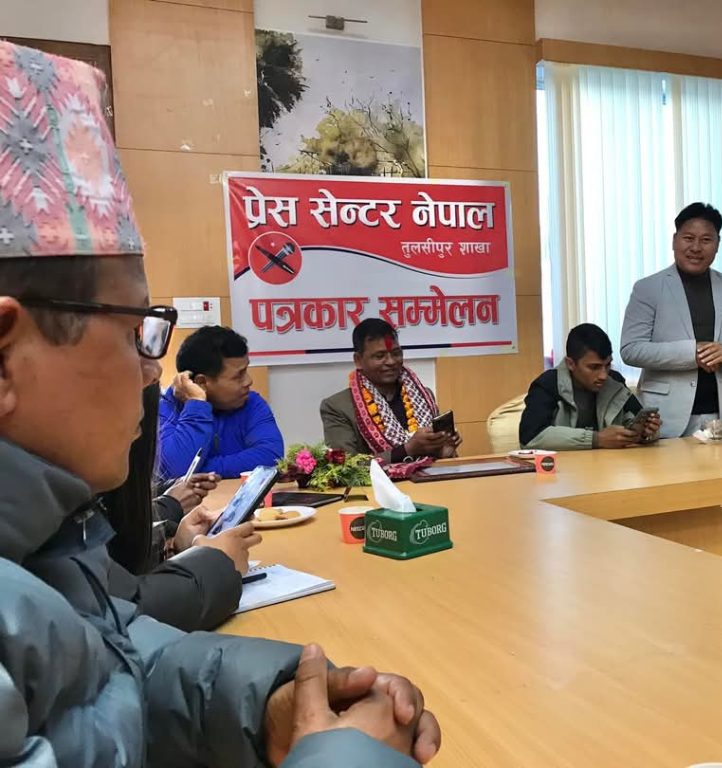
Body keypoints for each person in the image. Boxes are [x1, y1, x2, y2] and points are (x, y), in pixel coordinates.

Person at [0, 41, 438, 767]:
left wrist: (270, 707)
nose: (152, 368)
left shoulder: (48, 542)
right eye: (136, 330)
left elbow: (117, 664)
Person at [102, 382, 260, 631]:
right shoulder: (168, 405)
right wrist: (217, 564)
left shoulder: (253, 403)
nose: (247, 381)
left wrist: (174, 547)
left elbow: (270, 452)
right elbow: (122, 613)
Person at [620, 202, 722, 437]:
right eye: (688, 238)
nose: (696, 247)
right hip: (664, 418)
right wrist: (691, 353)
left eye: (706, 240)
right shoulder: (647, 288)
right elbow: (631, 349)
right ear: (674, 240)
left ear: (717, 244)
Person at [321, 318, 461, 462]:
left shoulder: (424, 397)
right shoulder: (338, 407)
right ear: (358, 360)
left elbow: (440, 461)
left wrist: (444, 452)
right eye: (380, 356)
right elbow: (345, 466)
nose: (391, 361)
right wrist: (408, 449)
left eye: (396, 353)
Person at [157, 324, 284, 480]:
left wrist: (199, 469)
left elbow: (271, 456)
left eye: (246, 370)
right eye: (238, 376)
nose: (248, 381)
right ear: (201, 382)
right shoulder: (163, 410)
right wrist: (196, 404)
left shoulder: (251, 402)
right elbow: (174, 470)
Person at [519, 323, 661, 450]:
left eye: (607, 365)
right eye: (594, 367)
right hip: (563, 469)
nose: (603, 375)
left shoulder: (615, 381)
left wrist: (644, 433)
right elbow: (530, 437)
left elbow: (634, 423)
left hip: (610, 467)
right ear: (570, 364)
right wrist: (597, 439)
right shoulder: (548, 384)